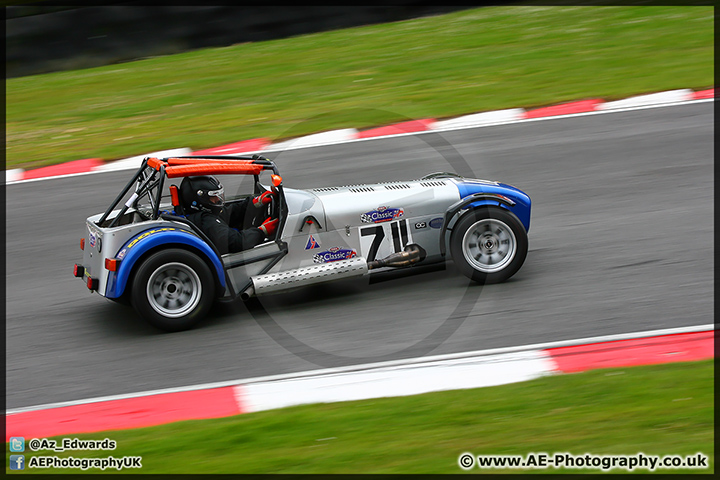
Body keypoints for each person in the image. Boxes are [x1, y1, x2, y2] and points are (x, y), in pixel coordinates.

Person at [179, 175, 278, 254]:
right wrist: (262, 231)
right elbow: (236, 242)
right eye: (213, 197)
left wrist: (255, 202)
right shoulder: (206, 221)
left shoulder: (198, 215)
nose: (217, 200)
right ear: (198, 200)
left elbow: (228, 213)